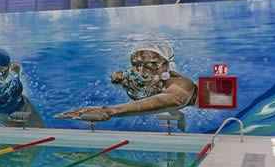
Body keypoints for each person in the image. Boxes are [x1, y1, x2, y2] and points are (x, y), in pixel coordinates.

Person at [57, 45, 196, 129]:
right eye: (136, 65)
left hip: (176, 100)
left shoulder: (181, 83)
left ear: (165, 65)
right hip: (156, 97)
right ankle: (178, 116)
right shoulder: (132, 76)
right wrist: (117, 78)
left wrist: (110, 111)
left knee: (171, 108)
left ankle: (179, 117)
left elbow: (175, 99)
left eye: (151, 65)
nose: (141, 70)